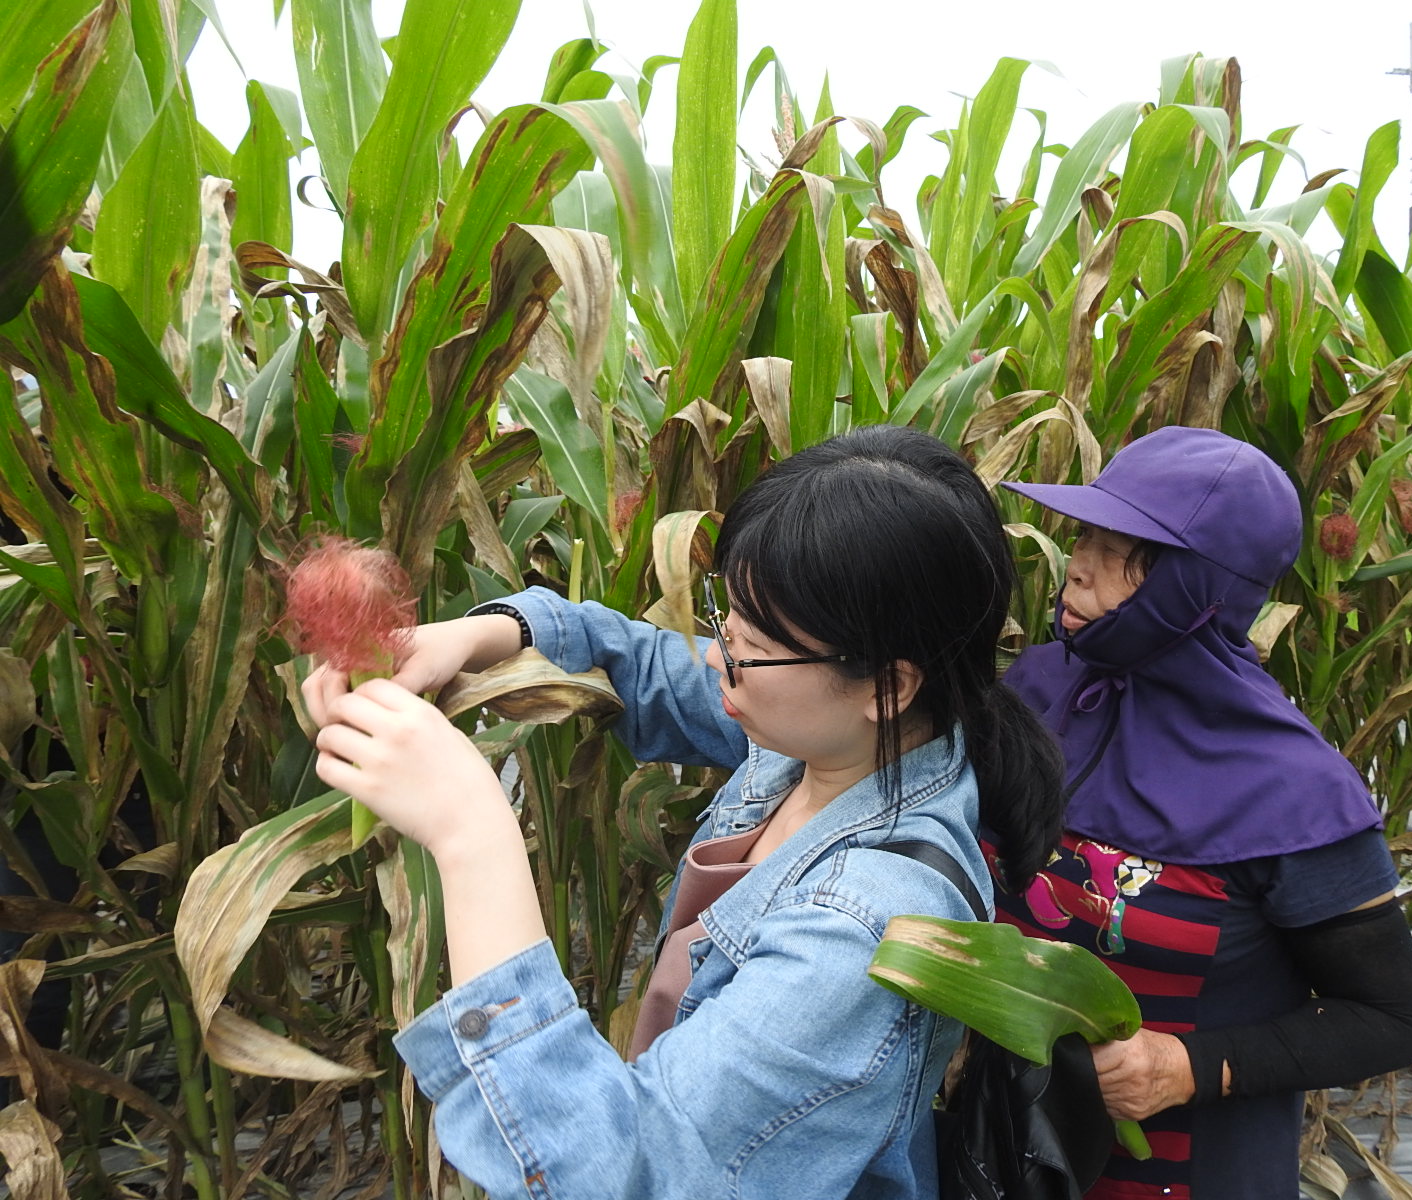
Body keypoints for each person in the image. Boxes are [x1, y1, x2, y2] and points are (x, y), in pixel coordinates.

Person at [303, 425, 1063, 1200]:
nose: (720, 648)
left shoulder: (864, 931)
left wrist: (472, 833)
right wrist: (479, 634)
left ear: (888, 685)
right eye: (725, 612)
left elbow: (621, 1173)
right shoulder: (827, 738)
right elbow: (635, 657)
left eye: (752, 640)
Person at [998, 426, 1412, 1200]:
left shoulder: (1294, 791)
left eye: (1119, 545)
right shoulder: (1039, 692)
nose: (1079, 563)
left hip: (1183, 1177)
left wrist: (1188, 1067)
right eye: (1085, 532)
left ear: (1195, 584)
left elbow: (1393, 1017)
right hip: (1006, 1155)